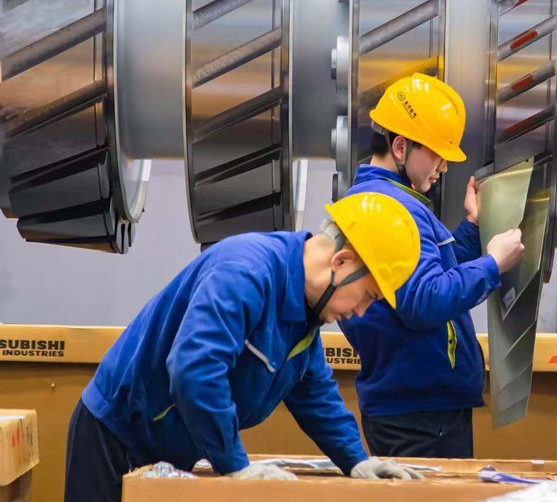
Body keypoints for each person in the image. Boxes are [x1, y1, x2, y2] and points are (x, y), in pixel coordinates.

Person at [64, 193, 427, 502]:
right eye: (368, 296)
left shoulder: (304, 314)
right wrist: (235, 466)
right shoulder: (245, 272)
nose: (361, 312)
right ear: (341, 261)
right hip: (116, 437)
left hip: (169, 447)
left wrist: (356, 459)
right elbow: (194, 370)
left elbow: (314, 392)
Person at [341, 73, 525, 458]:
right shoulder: (388, 207)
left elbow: (425, 276)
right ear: (400, 146)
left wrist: (472, 227)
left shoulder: (387, 201)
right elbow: (423, 301)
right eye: (437, 155)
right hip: (419, 414)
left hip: (417, 407)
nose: (443, 166)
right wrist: (493, 264)